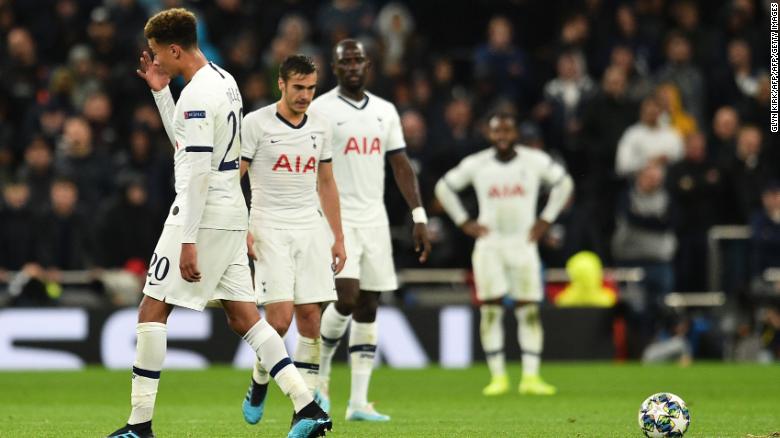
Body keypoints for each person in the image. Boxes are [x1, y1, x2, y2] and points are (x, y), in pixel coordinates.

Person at [107, 9, 331, 438]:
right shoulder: (223, 81)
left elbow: (196, 173)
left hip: (202, 213)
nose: (155, 62)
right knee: (245, 318)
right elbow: (188, 143)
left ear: (174, 49)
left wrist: (188, 239)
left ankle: (139, 425)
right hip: (231, 210)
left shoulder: (196, 97)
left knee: (152, 307)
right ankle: (308, 407)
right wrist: (161, 93)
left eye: (157, 55)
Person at [307, 39, 432, 421]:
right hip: (334, 220)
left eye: (358, 60)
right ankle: (321, 378)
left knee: (369, 305)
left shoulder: (385, 111)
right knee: (345, 297)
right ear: (335, 66)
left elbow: (401, 165)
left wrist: (419, 215)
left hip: (374, 219)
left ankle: (359, 402)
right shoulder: (320, 109)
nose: (353, 66)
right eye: (345, 61)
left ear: (368, 65)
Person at [239, 54, 345, 427]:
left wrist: (338, 237)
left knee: (310, 318)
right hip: (268, 225)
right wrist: (242, 228)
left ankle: (305, 413)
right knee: (280, 320)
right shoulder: (256, 124)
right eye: (298, 87)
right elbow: (235, 178)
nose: (305, 95)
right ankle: (260, 378)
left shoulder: (321, 125)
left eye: (311, 88)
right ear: (280, 84)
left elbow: (327, 182)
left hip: (310, 226)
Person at [435, 113, 574, 396]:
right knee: (491, 309)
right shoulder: (478, 163)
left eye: (507, 131)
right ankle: (497, 377)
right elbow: (444, 187)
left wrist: (546, 219)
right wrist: (464, 221)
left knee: (529, 309)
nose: (502, 136)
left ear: (515, 133)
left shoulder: (533, 160)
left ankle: (531, 378)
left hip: (523, 243)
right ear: (489, 133)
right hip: (490, 245)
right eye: (497, 131)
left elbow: (565, 183)